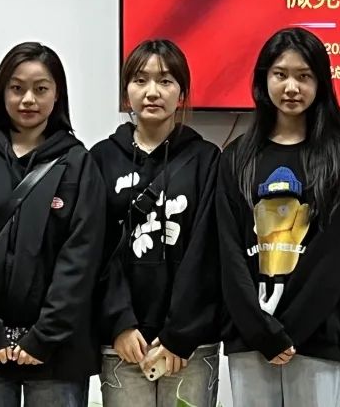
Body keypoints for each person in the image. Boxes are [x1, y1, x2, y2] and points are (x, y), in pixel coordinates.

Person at [0, 42, 105, 407]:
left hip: (57, 349)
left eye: (40, 89)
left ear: (57, 94)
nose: (28, 99)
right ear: (1, 91)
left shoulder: (78, 162)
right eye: (17, 88)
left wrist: (46, 335)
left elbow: (82, 254)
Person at [217, 27, 340, 407]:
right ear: (263, 79)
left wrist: (290, 331)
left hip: (318, 337)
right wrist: (260, 330)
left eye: (304, 76)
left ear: (321, 83)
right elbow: (229, 252)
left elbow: (337, 256)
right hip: (251, 338)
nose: (291, 87)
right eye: (280, 74)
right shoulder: (236, 158)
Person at [92, 39, 222, 407]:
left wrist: (181, 333)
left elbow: (208, 251)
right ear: (126, 92)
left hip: (189, 346)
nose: (152, 92)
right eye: (140, 80)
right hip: (123, 343)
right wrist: (119, 323)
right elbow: (93, 249)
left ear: (182, 92)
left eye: (165, 81)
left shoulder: (206, 159)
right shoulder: (100, 159)